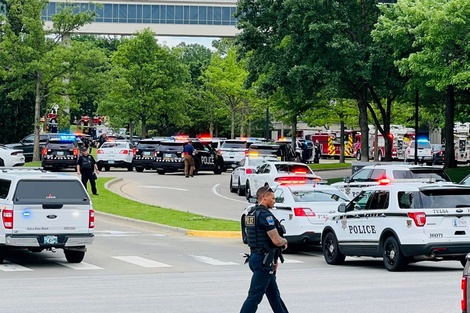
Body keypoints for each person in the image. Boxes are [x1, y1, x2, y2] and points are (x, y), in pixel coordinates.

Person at [240, 186, 289, 313]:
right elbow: (276, 240)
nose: (274, 201)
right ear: (264, 197)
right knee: (254, 297)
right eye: (272, 198)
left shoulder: (251, 213)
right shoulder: (265, 215)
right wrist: (284, 241)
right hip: (263, 261)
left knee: (274, 296)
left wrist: (274, 260)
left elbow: (254, 237)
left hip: (257, 258)